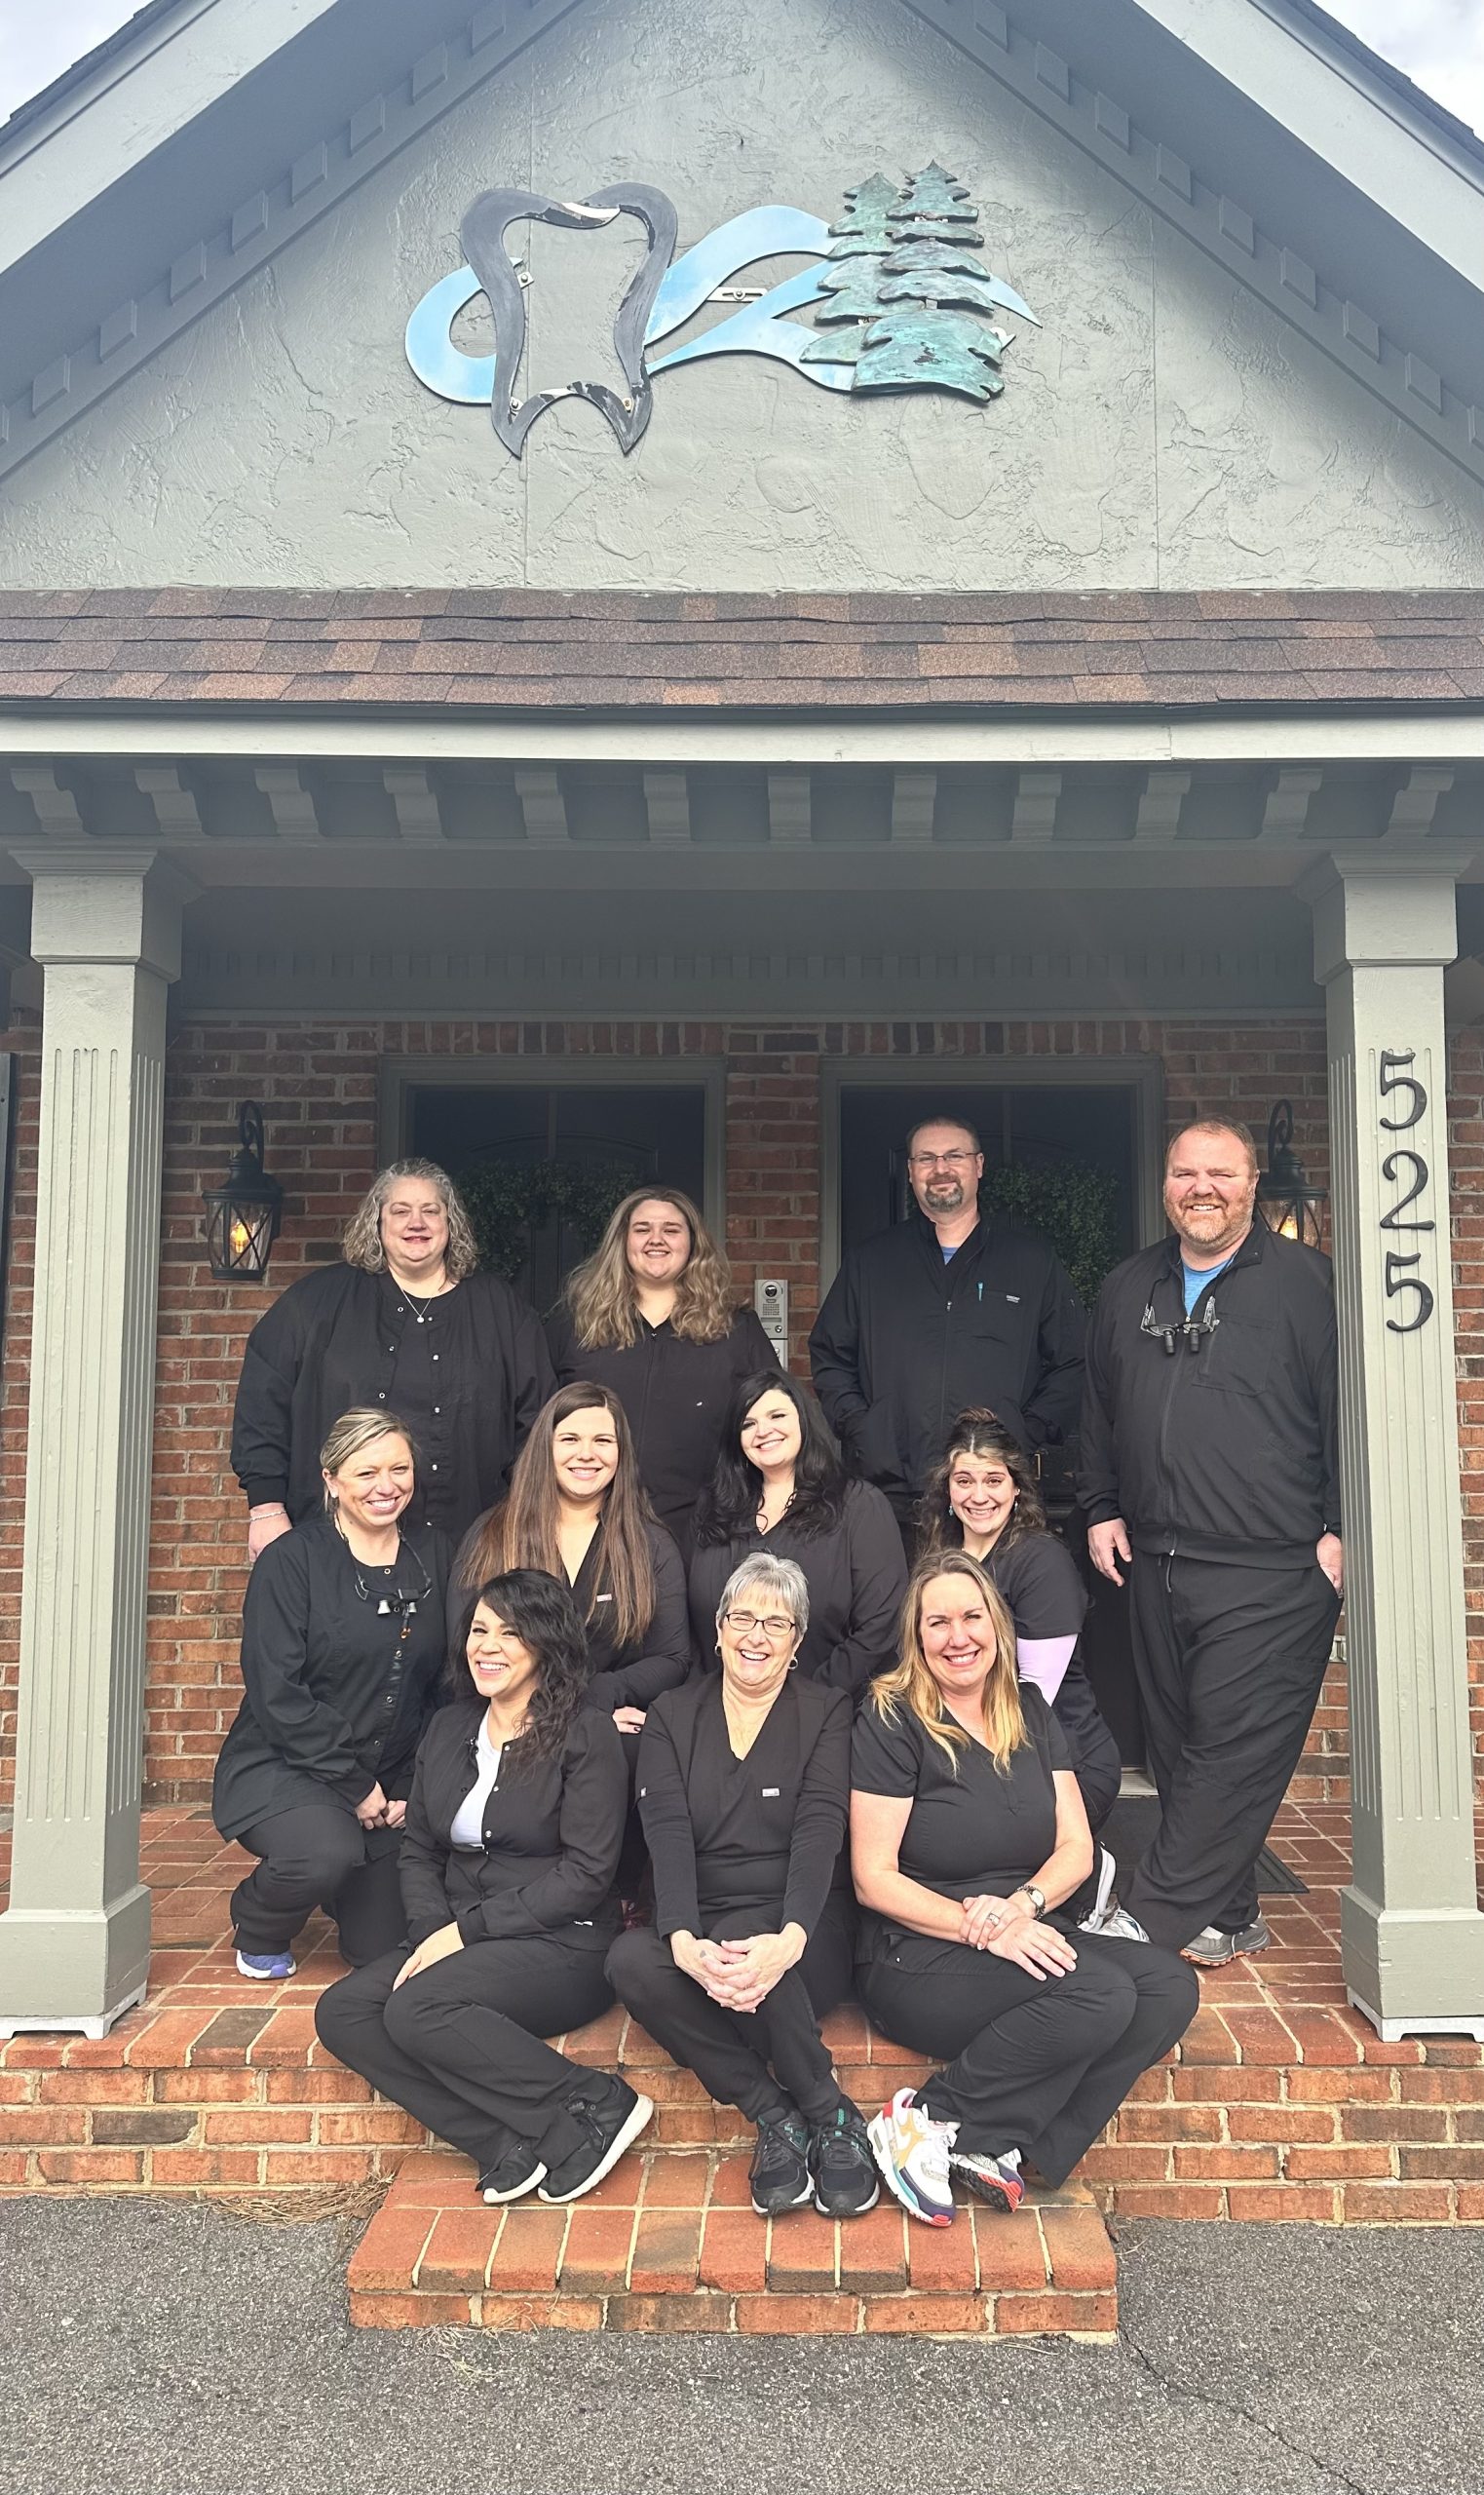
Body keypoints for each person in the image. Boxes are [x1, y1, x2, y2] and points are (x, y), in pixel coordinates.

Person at [851, 1554, 1198, 2226]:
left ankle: (993, 2142)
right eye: (938, 1622)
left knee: (1166, 1986)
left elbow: (1075, 1847)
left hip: (1021, 1927)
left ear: (997, 1625)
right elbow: (872, 1878)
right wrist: (982, 1925)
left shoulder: (1029, 1710)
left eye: (972, 1617)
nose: (958, 1637)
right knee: (1100, 1992)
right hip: (917, 1950)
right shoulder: (891, 1719)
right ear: (916, 1637)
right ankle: (926, 2118)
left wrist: (1021, 1907)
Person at [1079, 1117, 1344, 1968]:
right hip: (1156, 1558)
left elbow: (1353, 1413)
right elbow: (1097, 1410)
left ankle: (1148, 1918)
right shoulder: (1129, 1288)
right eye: (1186, 1173)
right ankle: (1229, 1915)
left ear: (1252, 1185)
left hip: (1270, 1564)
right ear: (1165, 1185)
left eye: (1220, 1174)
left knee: (1231, 1747)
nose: (1203, 1188)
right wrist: (1099, 1505)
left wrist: (1343, 1526)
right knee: (1177, 1743)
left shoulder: (1307, 1285)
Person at [315, 1569, 652, 2207]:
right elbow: (418, 1851)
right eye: (477, 1630)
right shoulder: (447, 1729)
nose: (486, 1646)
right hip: (462, 1938)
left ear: (546, 1646)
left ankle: (594, 2098)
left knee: (416, 2008)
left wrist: (463, 1935)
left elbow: (585, 1877)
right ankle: (504, 2142)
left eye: (508, 1632)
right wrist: (433, 1930)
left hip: (561, 1943)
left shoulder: (586, 1733)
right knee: (344, 2011)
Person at [607, 1555, 878, 2220]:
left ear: (796, 1641)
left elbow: (820, 1828)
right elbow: (664, 1829)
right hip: (704, 1916)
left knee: (763, 1963)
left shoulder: (825, 1710)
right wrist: (681, 1936)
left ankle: (826, 2115)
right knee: (629, 1962)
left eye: (776, 1623)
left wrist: (787, 1940)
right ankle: (784, 2114)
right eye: (743, 1618)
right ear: (721, 1628)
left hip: (803, 1921)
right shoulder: (672, 1713)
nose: (756, 1635)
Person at [213, 1409, 450, 1980]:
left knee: (380, 1945)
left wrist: (411, 1785)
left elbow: (447, 1682)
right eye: (366, 1472)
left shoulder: (437, 1554)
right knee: (322, 1852)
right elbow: (278, 1693)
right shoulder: (291, 1561)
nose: (386, 1486)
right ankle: (258, 1918)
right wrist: (353, 1783)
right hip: (287, 1763)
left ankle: (342, 1886)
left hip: (390, 1774)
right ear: (331, 1479)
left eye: (400, 1469)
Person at [231, 1157, 553, 1558]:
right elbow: (262, 1403)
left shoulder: (501, 1309)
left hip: (472, 1544)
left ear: (450, 1224)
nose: (415, 1223)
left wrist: (527, 1520)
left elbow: (539, 1423)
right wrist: (265, 1508)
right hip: (333, 1540)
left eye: (430, 1211)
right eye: (400, 1211)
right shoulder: (317, 1302)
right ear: (377, 1223)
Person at [808, 1114, 1085, 1536]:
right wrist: (866, 1430)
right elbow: (830, 1356)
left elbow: (1074, 1360)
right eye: (926, 1158)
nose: (941, 1169)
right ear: (911, 1171)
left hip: (993, 1496)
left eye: (954, 1156)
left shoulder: (1030, 1262)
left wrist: (1023, 1433)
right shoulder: (871, 1262)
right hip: (891, 1497)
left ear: (979, 1165)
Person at [450, 1382, 690, 1748]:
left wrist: (602, 1695)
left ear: (621, 1452)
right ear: (545, 1447)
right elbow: (464, 1648)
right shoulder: (493, 1535)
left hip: (608, 1736)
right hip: (510, 1735)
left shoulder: (651, 1545)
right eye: (570, 1439)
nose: (587, 1454)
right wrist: (558, 1714)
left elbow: (673, 1658)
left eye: (603, 1441)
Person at [918, 1408, 1121, 1834]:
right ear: (948, 1490)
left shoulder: (1042, 1561)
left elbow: (1032, 1697)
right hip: (970, 1746)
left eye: (994, 1480)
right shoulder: (939, 1559)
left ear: (1016, 1488)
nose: (979, 1496)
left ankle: (1087, 1868)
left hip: (1056, 1759)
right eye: (964, 1481)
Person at [546, 1187, 778, 1553]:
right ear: (622, 1242)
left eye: (671, 1229)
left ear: (693, 1243)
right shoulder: (575, 1325)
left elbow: (773, 1421)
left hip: (706, 1531)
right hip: (591, 1527)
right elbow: (537, 1421)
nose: (656, 1239)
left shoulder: (736, 1329)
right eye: (642, 1229)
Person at [688, 1369, 907, 1700]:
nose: (763, 1430)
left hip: (826, 1711)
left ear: (804, 1420)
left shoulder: (858, 1505)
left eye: (777, 1415)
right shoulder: (714, 1507)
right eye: (748, 1424)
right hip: (719, 1712)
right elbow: (693, 1625)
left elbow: (882, 1624)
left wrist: (807, 1700)